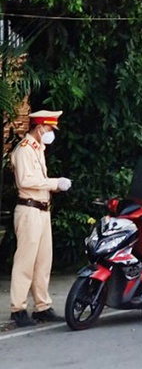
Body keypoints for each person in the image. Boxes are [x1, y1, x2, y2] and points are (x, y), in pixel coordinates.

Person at [9, 110, 72, 327]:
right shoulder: (24, 150)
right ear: (39, 127)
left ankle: (42, 306)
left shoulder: (38, 149)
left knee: (43, 261)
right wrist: (55, 183)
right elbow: (26, 181)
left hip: (42, 210)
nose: (51, 133)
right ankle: (18, 308)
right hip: (28, 211)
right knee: (25, 261)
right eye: (49, 128)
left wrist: (51, 186)